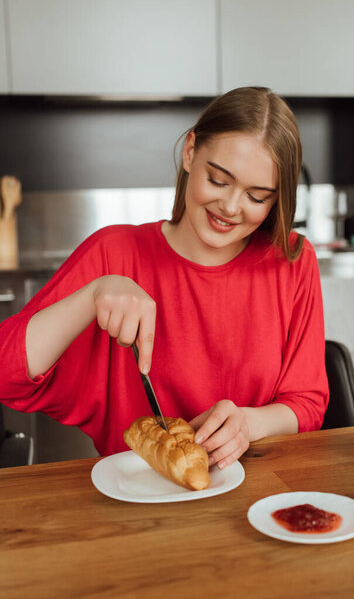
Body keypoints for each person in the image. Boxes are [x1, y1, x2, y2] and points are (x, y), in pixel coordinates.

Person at [0, 87, 328, 469]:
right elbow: (6, 376)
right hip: (139, 503)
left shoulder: (293, 259)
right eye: (219, 180)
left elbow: (307, 404)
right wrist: (92, 296)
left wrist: (250, 422)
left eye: (257, 197)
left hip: (257, 494)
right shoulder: (113, 252)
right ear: (191, 151)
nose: (231, 207)